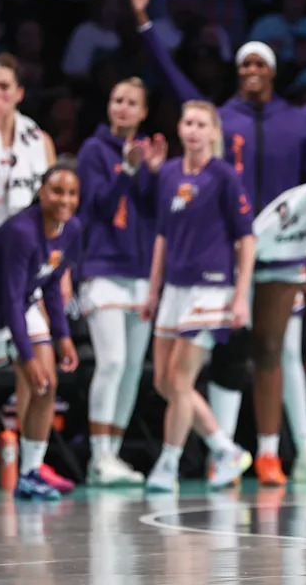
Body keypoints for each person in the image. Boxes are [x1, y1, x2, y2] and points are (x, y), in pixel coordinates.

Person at [130, 0, 306, 485]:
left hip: (283, 257)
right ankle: (221, 450)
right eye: (243, 63)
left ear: (270, 72)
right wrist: (143, 24)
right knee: (217, 357)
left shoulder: (300, 120)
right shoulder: (219, 118)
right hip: (227, 257)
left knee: (273, 350)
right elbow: (175, 81)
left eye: (258, 63)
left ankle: (269, 453)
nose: (250, 69)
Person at [140, 101, 255, 493]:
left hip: (211, 287)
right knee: (163, 382)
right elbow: (161, 235)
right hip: (174, 288)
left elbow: (247, 238)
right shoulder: (168, 172)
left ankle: (167, 466)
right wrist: (153, 291)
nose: (192, 129)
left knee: (180, 379)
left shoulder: (224, 176)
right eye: (187, 121)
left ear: (213, 132)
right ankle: (225, 448)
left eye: (200, 124)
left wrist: (240, 298)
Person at [0, 53, 73, 496]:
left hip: (30, 267)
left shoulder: (38, 138)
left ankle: (33, 467)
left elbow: (55, 202)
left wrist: (57, 269)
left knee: (43, 371)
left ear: (19, 93)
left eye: (2, 87)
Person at [76, 77, 167, 486]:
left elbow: (156, 213)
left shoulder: (147, 152)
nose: (122, 107)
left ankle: (111, 454)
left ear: (144, 111)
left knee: (131, 369)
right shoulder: (94, 151)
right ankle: (98, 457)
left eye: (131, 101)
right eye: (116, 100)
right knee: (111, 362)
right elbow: (95, 206)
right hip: (102, 269)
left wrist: (155, 173)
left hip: (140, 274)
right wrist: (128, 170)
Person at [0, 166, 81, 500]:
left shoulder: (72, 229)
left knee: (46, 382)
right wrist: (27, 356)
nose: (64, 199)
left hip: (23, 304)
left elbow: (50, 285)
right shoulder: (22, 232)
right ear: (41, 193)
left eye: (71, 192)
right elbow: (8, 299)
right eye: (56, 191)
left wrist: (62, 336)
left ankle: (31, 471)